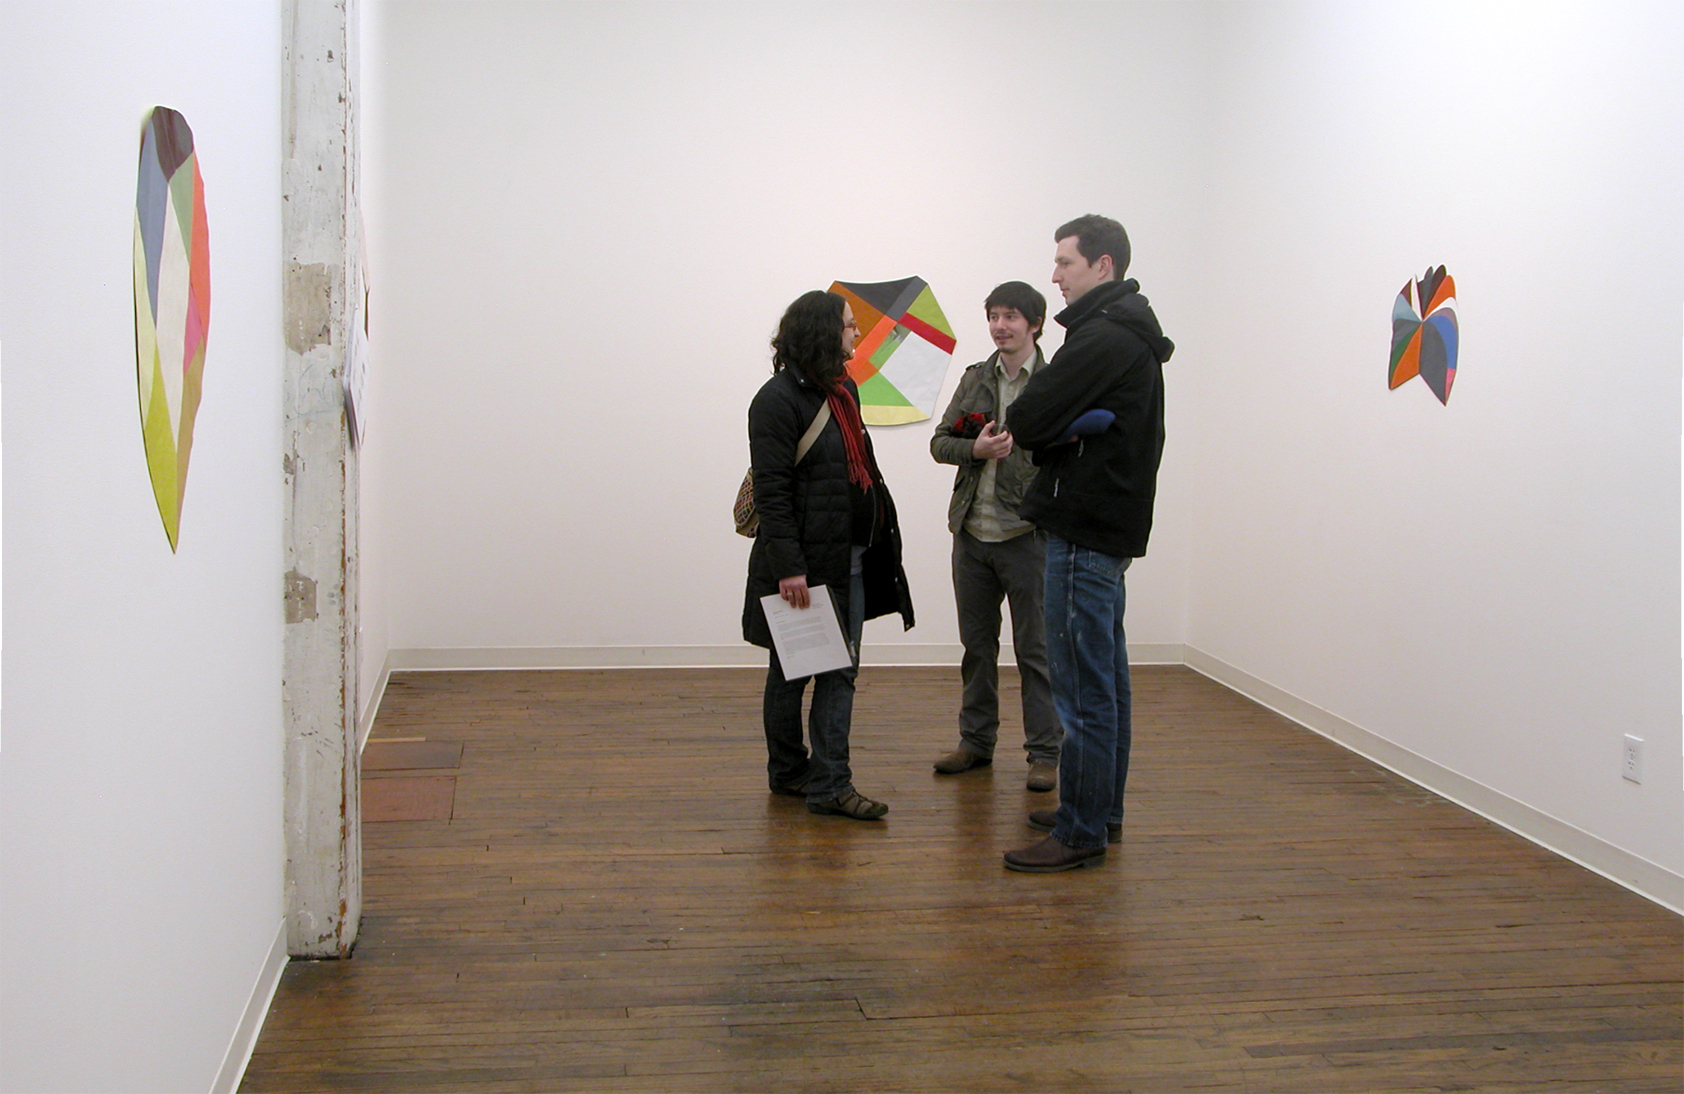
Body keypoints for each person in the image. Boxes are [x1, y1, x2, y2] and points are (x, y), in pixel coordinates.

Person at [1001, 215, 1174, 872]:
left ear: (1103, 266)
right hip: (1107, 528)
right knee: (1106, 684)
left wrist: (1058, 429)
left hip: (1082, 529)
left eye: (1065, 262)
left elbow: (1026, 418)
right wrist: (1071, 426)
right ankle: (1100, 810)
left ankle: (1080, 831)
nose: (1054, 275)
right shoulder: (1130, 334)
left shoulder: (1101, 337)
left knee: (1082, 691)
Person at [743, 289, 914, 820]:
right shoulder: (775, 401)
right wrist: (790, 569)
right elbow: (772, 492)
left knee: (836, 671)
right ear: (822, 333)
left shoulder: (844, 390)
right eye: (848, 324)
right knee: (795, 673)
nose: (856, 332)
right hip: (805, 569)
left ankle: (817, 780)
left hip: (850, 561)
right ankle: (806, 778)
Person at [929, 282, 1061, 792]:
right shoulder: (975, 378)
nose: (1000, 326)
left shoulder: (1054, 382)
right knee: (977, 647)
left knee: (1036, 651)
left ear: (1035, 324)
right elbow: (940, 443)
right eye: (994, 316)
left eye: (1011, 316)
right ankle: (976, 742)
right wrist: (975, 451)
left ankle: (1044, 753)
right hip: (971, 534)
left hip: (1028, 536)